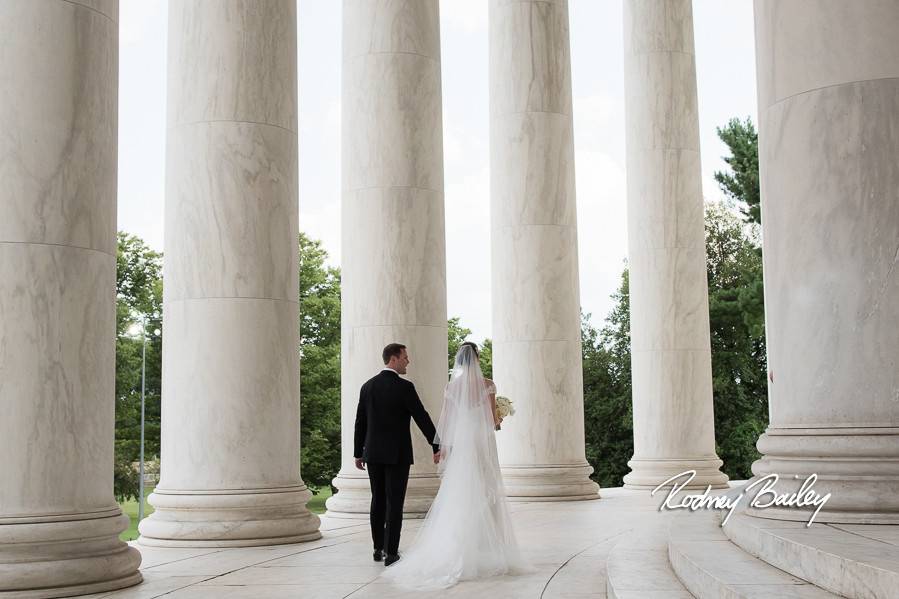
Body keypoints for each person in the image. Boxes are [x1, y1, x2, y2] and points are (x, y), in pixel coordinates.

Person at [381, 342, 532, 589]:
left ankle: (460, 546)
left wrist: (443, 449)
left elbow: (447, 421)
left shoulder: (451, 387)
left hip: (462, 444)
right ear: (478, 359)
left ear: (459, 362)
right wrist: (500, 417)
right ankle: (486, 547)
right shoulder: (488, 385)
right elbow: (492, 420)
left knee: (460, 493)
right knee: (486, 491)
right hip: (481, 444)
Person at [353, 343, 440, 567]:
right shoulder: (404, 387)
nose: (407, 361)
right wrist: (436, 444)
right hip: (397, 454)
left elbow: (360, 422)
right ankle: (391, 552)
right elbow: (422, 416)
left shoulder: (367, 386)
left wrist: (357, 452)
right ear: (394, 359)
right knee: (395, 502)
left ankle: (377, 547)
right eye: (405, 357)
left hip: (372, 453)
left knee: (377, 500)